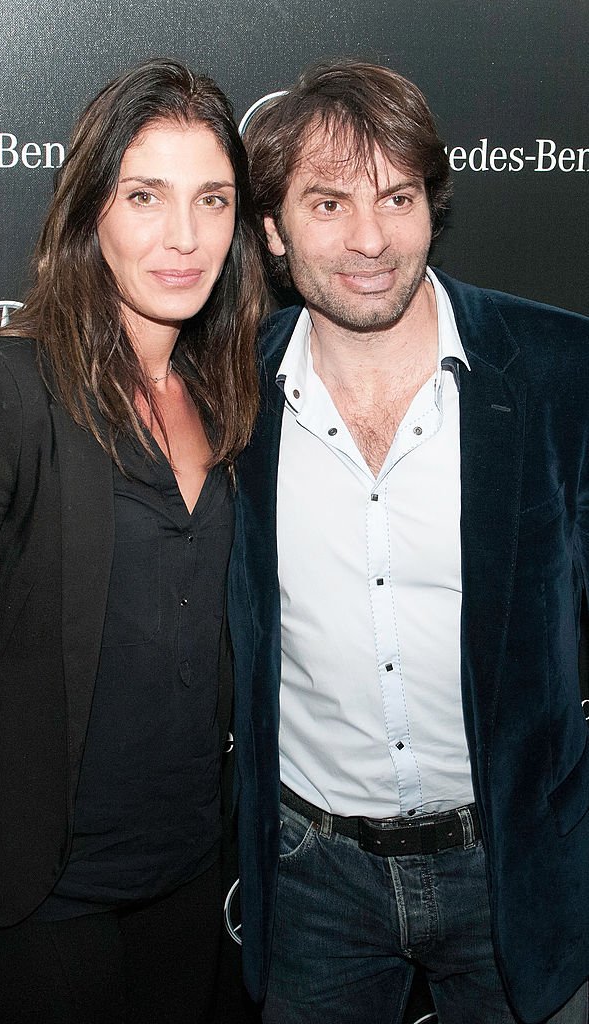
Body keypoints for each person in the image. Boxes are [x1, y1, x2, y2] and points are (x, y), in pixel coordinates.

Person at [0, 57, 266, 1024]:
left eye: (211, 200)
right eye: (146, 195)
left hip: (190, 881)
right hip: (37, 898)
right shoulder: (1, 392)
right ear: (91, 210)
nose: (184, 237)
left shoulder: (231, 395)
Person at [228, 58, 589, 1024]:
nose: (370, 240)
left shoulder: (560, 371)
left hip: (516, 864)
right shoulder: (224, 399)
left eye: (396, 197)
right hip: (310, 878)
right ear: (270, 231)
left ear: (432, 205)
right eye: (328, 203)